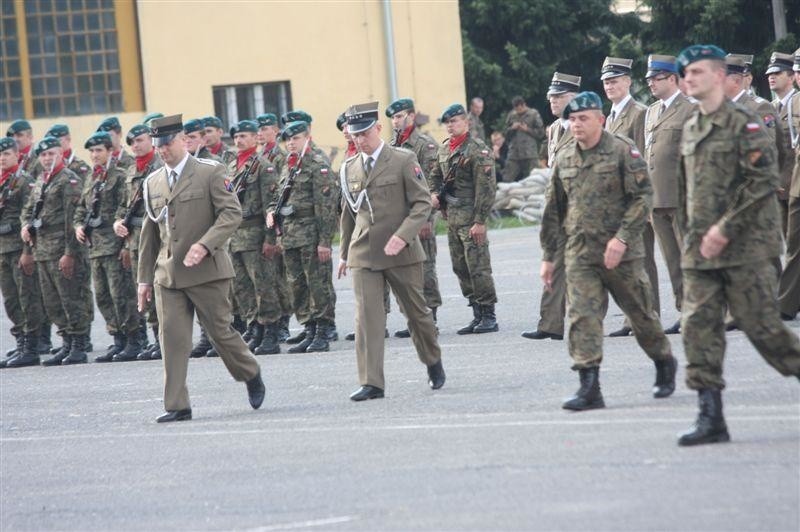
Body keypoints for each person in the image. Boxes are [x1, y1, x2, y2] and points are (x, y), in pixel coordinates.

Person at [674, 45, 800, 446]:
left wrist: (725, 228)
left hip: (746, 247)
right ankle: (711, 416)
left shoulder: (744, 122)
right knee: (698, 328)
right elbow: (687, 189)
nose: (688, 79)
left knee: (762, 328)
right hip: (701, 250)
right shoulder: (692, 124)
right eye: (685, 73)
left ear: (716, 75)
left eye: (695, 72)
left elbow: (762, 180)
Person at [540, 91, 677, 411]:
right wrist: (548, 257)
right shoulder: (565, 157)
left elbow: (642, 197)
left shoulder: (621, 151)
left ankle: (663, 361)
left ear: (600, 120)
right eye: (572, 120)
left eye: (583, 119)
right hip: (580, 253)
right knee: (582, 317)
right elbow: (553, 211)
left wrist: (623, 238)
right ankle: (590, 386)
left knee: (641, 315)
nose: (576, 125)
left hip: (621, 255)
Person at [137, 114, 265, 423]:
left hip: (207, 271)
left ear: (182, 140)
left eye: (168, 143)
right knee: (172, 338)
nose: (163, 150)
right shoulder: (152, 182)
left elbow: (231, 213)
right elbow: (150, 233)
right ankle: (177, 404)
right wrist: (143, 280)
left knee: (220, 332)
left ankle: (250, 373)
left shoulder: (210, 171)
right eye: (159, 146)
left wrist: (205, 244)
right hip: (168, 275)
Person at [338, 101, 445, 401]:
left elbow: (422, 203)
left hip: (401, 251)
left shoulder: (402, 159)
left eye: (364, 133)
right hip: (364, 253)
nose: (360, 140)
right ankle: (372, 382)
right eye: (354, 135)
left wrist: (403, 236)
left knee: (416, 313)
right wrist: (344, 253)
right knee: (367, 318)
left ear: (378, 128)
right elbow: (348, 213)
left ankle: (432, 359)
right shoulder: (348, 168)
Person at [601, 56, 660, 338]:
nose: (610, 86)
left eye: (615, 80)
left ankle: (650, 314)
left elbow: (643, 158)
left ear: (628, 82)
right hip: (615, 201)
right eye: (606, 82)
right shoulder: (610, 116)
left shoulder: (639, 113)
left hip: (634, 197)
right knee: (627, 263)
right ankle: (632, 317)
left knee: (643, 258)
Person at [267, 120, 338, 353]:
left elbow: (326, 207)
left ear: (307, 137)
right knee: (297, 284)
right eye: (288, 140)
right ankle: (309, 327)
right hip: (290, 234)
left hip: (311, 234)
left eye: (296, 138)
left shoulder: (317, 165)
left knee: (317, 283)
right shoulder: (289, 166)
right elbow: (279, 197)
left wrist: (325, 241)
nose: (291, 143)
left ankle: (323, 330)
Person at [428, 104, 499, 334]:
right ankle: (476, 312)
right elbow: (435, 176)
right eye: (448, 122)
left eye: (455, 121)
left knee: (478, 267)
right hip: (452, 218)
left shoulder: (477, 150)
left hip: (471, 218)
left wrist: (480, 221)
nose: (451, 126)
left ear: (466, 123)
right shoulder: (445, 148)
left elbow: (486, 188)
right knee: (461, 267)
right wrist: (434, 195)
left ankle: (489, 315)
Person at [21, 137, 91, 365]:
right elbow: (29, 209)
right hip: (42, 251)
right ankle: (67, 342)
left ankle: (79, 344)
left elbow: (72, 220)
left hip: (62, 250)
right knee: (52, 302)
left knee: (71, 297)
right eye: (43, 155)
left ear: (60, 154)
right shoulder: (43, 179)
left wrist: (70, 253)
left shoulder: (68, 180)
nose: (47, 159)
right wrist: (25, 225)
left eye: (51, 154)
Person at [522, 72, 580, 342]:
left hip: (581, 208)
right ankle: (550, 324)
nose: (552, 101)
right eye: (551, 97)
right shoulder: (555, 129)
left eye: (558, 96)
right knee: (553, 264)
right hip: (557, 207)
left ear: (573, 98)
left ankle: (634, 317)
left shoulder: (583, 125)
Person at [75, 132, 142, 362]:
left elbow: (125, 210)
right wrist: (77, 226)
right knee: (103, 296)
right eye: (92, 151)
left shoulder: (119, 176)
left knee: (122, 294)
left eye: (99, 151)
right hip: (95, 248)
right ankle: (118, 338)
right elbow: (81, 210)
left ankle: (134, 338)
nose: (94, 155)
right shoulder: (92, 178)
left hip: (114, 246)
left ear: (110, 152)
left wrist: (125, 246)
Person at [644, 54, 696, 335]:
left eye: (657, 78)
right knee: (673, 262)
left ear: (673, 78)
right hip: (656, 198)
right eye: (649, 79)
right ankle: (684, 309)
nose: (651, 83)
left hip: (680, 196)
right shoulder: (652, 111)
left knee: (690, 259)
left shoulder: (689, 109)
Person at [386, 97, 443, 337]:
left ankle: (430, 317)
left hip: (420, 216)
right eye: (393, 118)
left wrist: (427, 219)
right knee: (407, 269)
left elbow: (432, 185)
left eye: (399, 116)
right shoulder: (391, 145)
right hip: (400, 218)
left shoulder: (424, 145)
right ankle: (416, 317)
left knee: (425, 267)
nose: (395, 121)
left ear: (411, 116)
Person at [227, 119, 284, 355]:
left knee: (264, 286)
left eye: (244, 136)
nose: (239, 140)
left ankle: (271, 332)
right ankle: (255, 328)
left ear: (254, 138)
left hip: (255, 234)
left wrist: (270, 238)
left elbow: (271, 205)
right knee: (242, 287)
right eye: (236, 137)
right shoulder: (231, 166)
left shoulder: (263, 166)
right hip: (235, 236)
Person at [113, 123, 164, 360]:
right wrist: (117, 224)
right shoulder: (132, 170)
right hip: (134, 241)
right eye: (132, 142)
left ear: (151, 141)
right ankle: (154, 338)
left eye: (141, 140)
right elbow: (124, 206)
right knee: (143, 291)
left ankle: (164, 339)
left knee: (159, 290)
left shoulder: (160, 167)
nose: (136, 145)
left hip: (156, 239)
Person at [0, 137, 45, 368]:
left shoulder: (25, 182)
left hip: (19, 249)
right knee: (10, 299)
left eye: (6, 154)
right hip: (2, 250)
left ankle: (31, 347)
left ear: (17, 155)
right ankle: (20, 342)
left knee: (27, 297)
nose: (2, 158)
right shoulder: (1, 181)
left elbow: (29, 218)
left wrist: (28, 252)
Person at [256, 112, 293, 341]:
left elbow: (280, 195)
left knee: (280, 277)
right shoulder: (261, 156)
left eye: (265, 129)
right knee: (269, 277)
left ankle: (284, 323)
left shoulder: (279, 157)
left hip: (277, 225)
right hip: (262, 224)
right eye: (258, 130)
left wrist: (277, 234)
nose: (261, 133)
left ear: (276, 131)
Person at [778, 49, 800, 320]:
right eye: (796, 71)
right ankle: (785, 305)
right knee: (794, 244)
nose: (798, 76)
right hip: (797, 184)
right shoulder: (794, 102)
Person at [767, 52, 797, 236]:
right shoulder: (769, 107)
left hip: (796, 186)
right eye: (770, 74)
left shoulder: (799, 103)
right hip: (776, 188)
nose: (771, 77)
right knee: (787, 245)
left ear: (792, 77)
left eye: (777, 73)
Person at [503, 96, 544, 182]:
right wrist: (512, 128)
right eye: (516, 109)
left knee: (534, 179)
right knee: (507, 178)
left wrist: (527, 130)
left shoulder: (533, 114)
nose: (518, 111)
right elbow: (505, 134)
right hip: (514, 153)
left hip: (529, 153)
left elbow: (541, 134)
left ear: (524, 105)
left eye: (519, 109)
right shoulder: (511, 115)